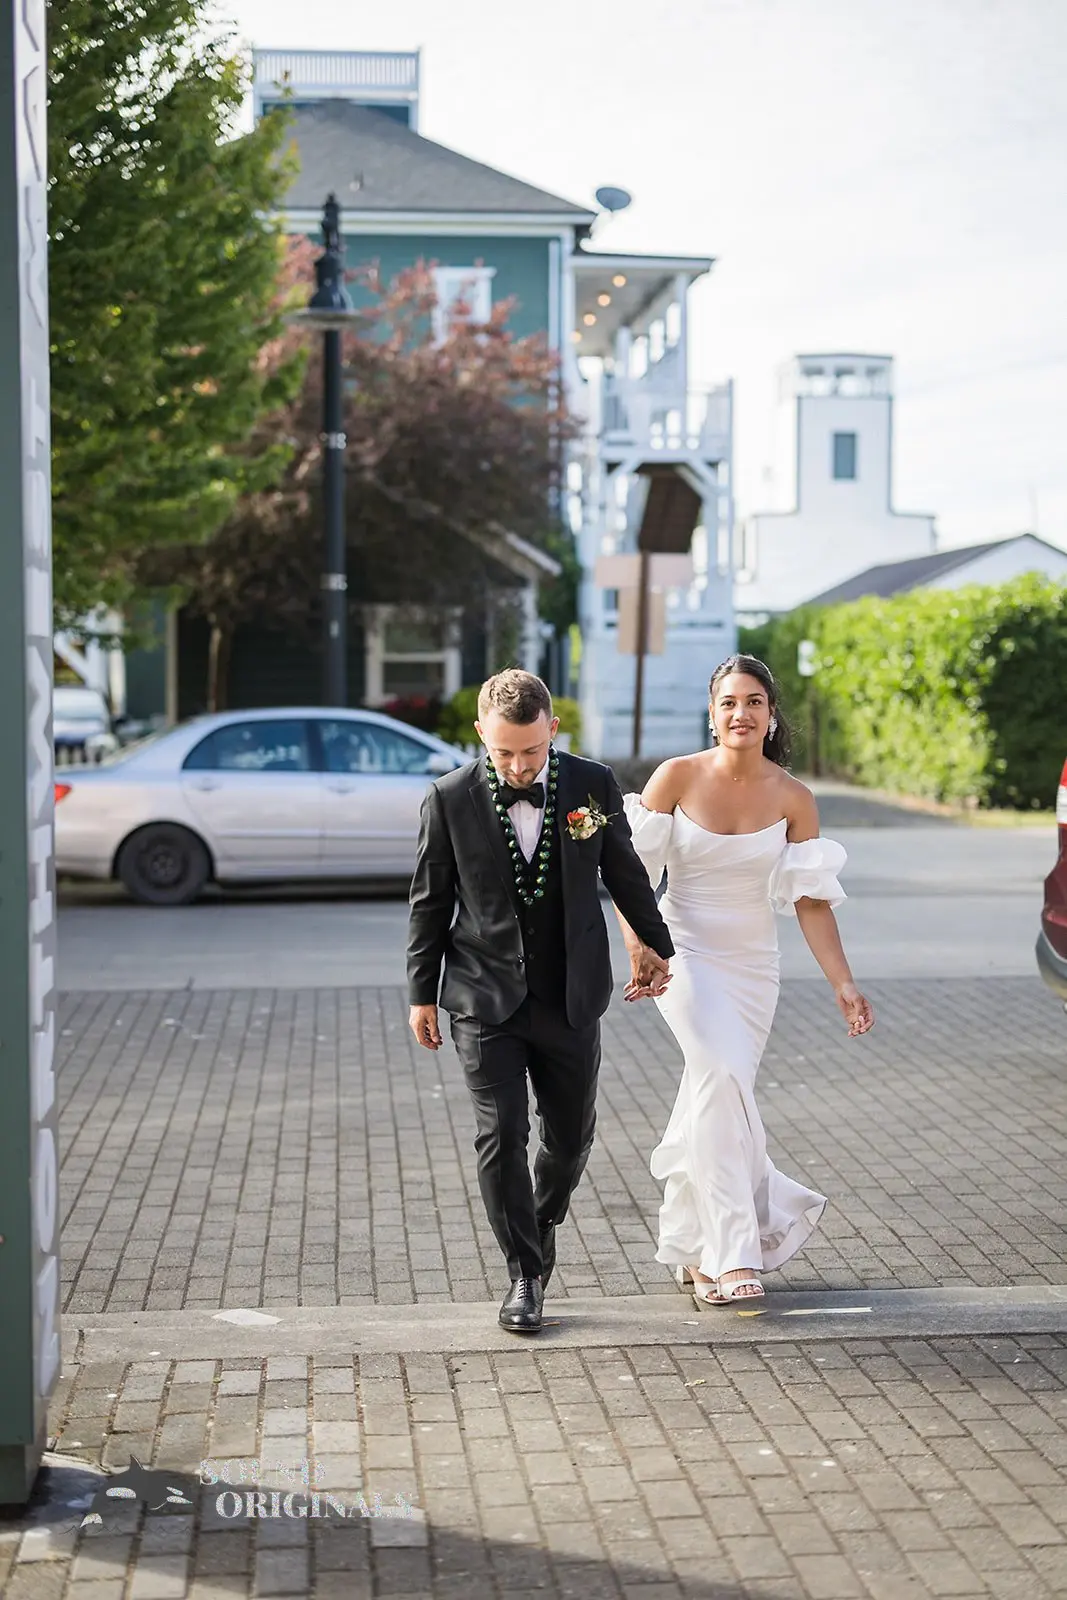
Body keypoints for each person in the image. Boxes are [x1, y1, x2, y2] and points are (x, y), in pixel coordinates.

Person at [407, 669, 674, 1334]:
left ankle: (540, 1221)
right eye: (503, 753)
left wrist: (658, 947)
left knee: (570, 1138)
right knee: (501, 1134)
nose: (519, 766)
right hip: (482, 996)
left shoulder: (592, 785)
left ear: (552, 730)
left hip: (569, 994)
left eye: (531, 751)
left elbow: (624, 873)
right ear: (480, 735)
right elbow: (429, 903)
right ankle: (525, 1273)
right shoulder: (447, 799)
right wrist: (420, 994)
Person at [614, 654, 874, 1307]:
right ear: (712, 714)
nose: (741, 713)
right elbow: (630, 876)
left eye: (753, 702)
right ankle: (733, 1254)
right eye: (729, 702)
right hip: (682, 957)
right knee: (723, 1077)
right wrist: (639, 947)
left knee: (714, 1096)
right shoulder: (675, 777)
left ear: (771, 715)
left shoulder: (794, 798)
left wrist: (842, 983)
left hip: (754, 970)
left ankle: (691, 1245)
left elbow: (811, 902)